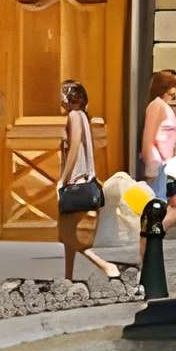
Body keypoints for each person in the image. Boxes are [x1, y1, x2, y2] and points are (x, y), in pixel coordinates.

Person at [55, 81, 118, 282]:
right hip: (83, 180)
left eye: (62, 94)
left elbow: (73, 148)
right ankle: (67, 277)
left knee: (70, 237)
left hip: (76, 182)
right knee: (67, 234)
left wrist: (63, 180)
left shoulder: (74, 117)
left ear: (68, 97)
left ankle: (105, 265)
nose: (59, 98)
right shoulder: (82, 116)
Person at [140, 70, 176, 232]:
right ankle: (153, 232)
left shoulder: (163, 106)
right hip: (158, 163)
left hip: (167, 164)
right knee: (160, 202)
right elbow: (148, 137)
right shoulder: (157, 106)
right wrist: (151, 164)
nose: (174, 91)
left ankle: (155, 231)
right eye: (171, 86)